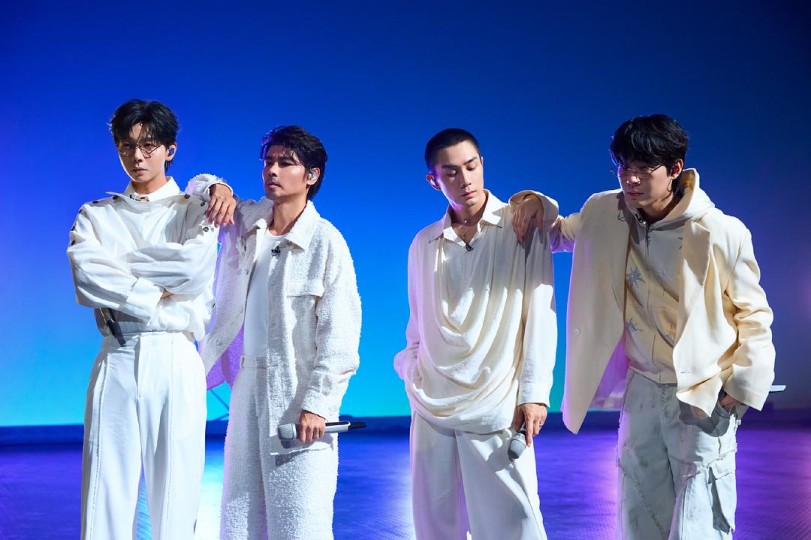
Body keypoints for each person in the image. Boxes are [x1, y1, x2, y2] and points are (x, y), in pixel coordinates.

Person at [513, 114, 776, 538]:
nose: (630, 179)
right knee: (639, 508)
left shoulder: (720, 231)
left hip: (701, 389)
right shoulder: (606, 211)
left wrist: (742, 385)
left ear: (674, 169)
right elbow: (558, 234)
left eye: (643, 168)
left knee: (700, 516)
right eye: (623, 167)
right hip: (642, 387)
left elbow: (754, 313)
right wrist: (536, 205)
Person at [67, 98, 235, 539]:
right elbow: (87, 276)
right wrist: (159, 291)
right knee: (104, 490)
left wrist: (121, 264)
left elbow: (193, 271)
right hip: (117, 352)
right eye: (127, 146)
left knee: (176, 491)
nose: (137, 157)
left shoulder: (194, 209)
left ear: (169, 150)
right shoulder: (95, 214)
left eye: (148, 145)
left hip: (176, 352)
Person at [198, 126, 361, 540]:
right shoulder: (248, 222)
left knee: (300, 520)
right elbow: (196, 190)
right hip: (247, 384)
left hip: (295, 390)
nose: (272, 170)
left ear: (312, 175)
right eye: (268, 161)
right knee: (240, 517)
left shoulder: (325, 242)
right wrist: (217, 187)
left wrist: (319, 404)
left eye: (286, 163)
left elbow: (341, 335)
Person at [394, 128, 556, 539]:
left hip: (497, 400)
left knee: (515, 522)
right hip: (432, 400)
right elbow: (417, 322)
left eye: (471, 167)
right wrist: (412, 368)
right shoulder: (424, 243)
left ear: (482, 164)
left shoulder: (520, 226)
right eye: (450, 172)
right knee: (436, 523)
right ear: (434, 180)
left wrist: (535, 392)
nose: (464, 180)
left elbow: (540, 313)